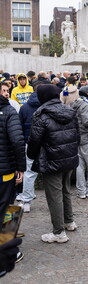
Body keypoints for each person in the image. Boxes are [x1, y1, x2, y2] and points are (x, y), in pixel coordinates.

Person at [27, 84, 79, 243]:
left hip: (51, 159)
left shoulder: (41, 114)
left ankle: (58, 232)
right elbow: (78, 135)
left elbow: (34, 140)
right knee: (65, 190)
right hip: (69, 157)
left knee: (54, 195)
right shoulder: (70, 110)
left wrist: (31, 155)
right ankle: (69, 221)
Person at [0, 83, 25, 272]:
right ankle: (9, 251)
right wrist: (20, 167)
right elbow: (17, 140)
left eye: (8, 90)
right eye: (3, 91)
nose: (6, 93)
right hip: (5, 172)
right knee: (10, 210)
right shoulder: (8, 111)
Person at [16, 81, 45, 212]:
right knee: (52, 173)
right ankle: (56, 202)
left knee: (29, 173)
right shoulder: (47, 106)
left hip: (29, 143)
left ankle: (26, 201)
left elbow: (19, 128)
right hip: (47, 144)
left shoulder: (24, 107)